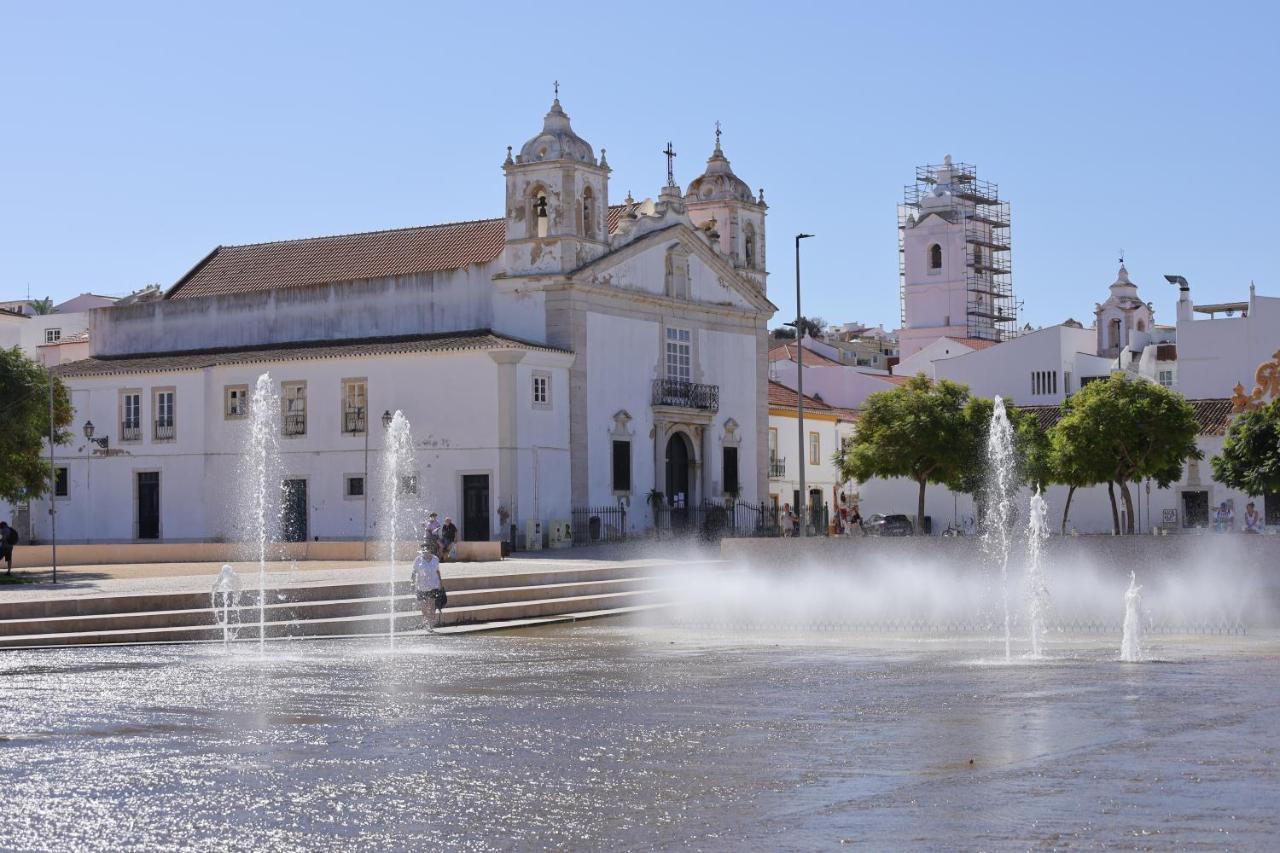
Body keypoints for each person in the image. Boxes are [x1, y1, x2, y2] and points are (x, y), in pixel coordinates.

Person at [410, 545, 447, 630]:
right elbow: (414, 572)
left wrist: (441, 583)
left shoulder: (435, 559)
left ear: (430, 551)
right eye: (423, 552)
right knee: (423, 606)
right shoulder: (418, 560)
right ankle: (425, 622)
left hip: (433, 585)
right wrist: (412, 582)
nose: (424, 553)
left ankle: (430, 623)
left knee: (431, 604)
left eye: (426, 551)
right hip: (421, 586)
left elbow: (437, 571)